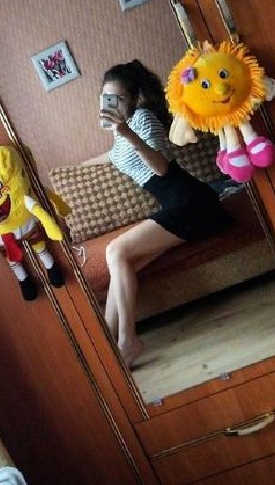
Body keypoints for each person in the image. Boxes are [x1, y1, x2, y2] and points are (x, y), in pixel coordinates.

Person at [84, 59, 232, 367]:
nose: (111, 104)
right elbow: (111, 157)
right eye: (106, 98)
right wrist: (75, 167)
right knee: (122, 263)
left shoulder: (143, 119)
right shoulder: (119, 135)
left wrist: (128, 133)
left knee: (115, 250)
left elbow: (161, 168)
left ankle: (128, 341)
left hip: (191, 201)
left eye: (118, 98)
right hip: (179, 206)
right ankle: (109, 349)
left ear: (133, 99)